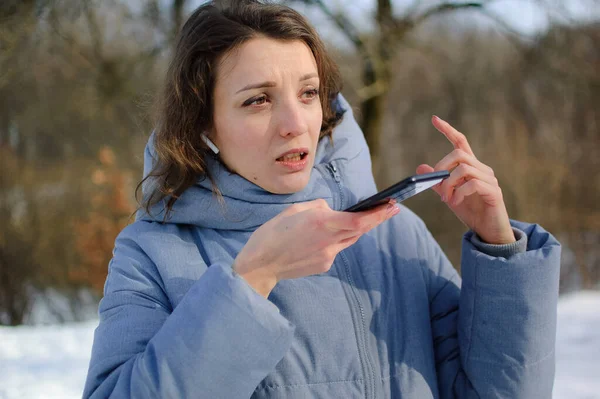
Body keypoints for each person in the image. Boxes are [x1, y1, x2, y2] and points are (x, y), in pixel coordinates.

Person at [83, 1, 561, 398]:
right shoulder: (152, 254)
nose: (295, 122)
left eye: (309, 93)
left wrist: (499, 246)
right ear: (204, 123)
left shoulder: (393, 232)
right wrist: (251, 280)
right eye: (258, 100)